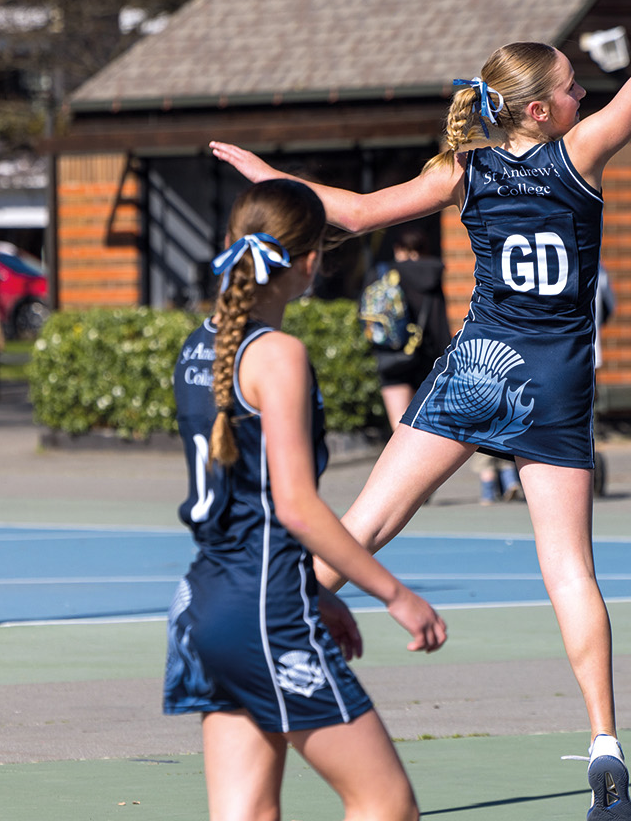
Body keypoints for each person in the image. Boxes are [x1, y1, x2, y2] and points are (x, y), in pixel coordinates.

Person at [211, 0, 631, 821]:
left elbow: (347, 215)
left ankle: (270, 647)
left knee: (370, 522)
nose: (585, 93)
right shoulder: (578, 158)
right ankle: (604, 746)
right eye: (573, 87)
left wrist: (267, 175)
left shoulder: (464, 173)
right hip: (554, 382)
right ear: (542, 112)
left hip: (478, 367)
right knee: (569, 572)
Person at [166, 178, 447, 821]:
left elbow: (247, 505)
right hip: (266, 612)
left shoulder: (198, 348)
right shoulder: (279, 356)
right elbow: (293, 504)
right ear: (312, 259)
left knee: (246, 811)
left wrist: (316, 590)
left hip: (204, 607)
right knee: (384, 802)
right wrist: (394, 595)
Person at [361, 227, 449, 434]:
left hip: (391, 356)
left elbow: (365, 315)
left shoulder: (382, 273)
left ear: (397, 248)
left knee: (399, 427)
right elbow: (439, 322)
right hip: (427, 357)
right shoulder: (433, 273)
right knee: (429, 427)